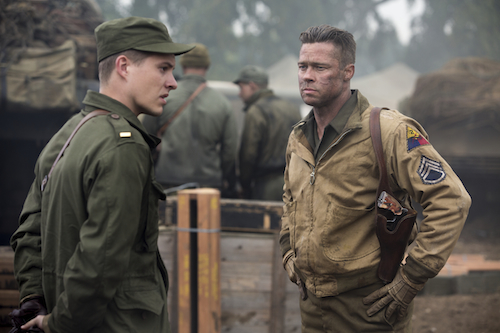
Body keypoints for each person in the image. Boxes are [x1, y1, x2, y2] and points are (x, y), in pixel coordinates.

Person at [279, 25, 471, 332]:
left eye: (320, 67)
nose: (307, 75)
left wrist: (410, 279)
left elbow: (451, 200)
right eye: (303, 66)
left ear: (347, 72)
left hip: (370, 308)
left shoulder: (388, 131)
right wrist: (288, 248)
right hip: (312, 307)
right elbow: (290, 197)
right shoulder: (298, 138)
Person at [10, 16, 194, 333]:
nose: (173, 82)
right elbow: (100, 259)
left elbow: (29, 232)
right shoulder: (124, 146)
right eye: (163, 68)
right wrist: (62, 323)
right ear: (123, 66)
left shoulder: (67, 134)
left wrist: (34, 300)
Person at [142, 43, 238, 197]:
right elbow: (230, 151)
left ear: (183, 65)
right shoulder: (222, 104)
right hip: (208, 186)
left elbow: (144, 137)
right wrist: (222, 175)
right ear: (207, 66)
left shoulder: (164, 96)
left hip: (168, 181)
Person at [233, 65, 302, 201]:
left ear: (251, 86)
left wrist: (244, 184)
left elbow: (248, 155)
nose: (239, 94)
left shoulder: (256, 111)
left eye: (241, 88)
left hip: (266, 186)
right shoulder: (291, 108)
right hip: (294, 184)